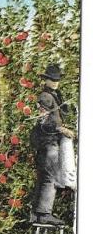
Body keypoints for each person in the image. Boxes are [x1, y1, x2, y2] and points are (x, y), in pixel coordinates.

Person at [30, 64, 76, 225]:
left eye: (57, 80)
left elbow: (60, 114)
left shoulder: (54, 95)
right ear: (46, 80)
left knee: (45, 176)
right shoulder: (45, 97)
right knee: (49, 176)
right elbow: (43, 122)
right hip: (47, 141)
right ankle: (43, 213)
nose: (55, 82)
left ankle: (37, 214)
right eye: (52, 80)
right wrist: (61, 129)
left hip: (49, 140)